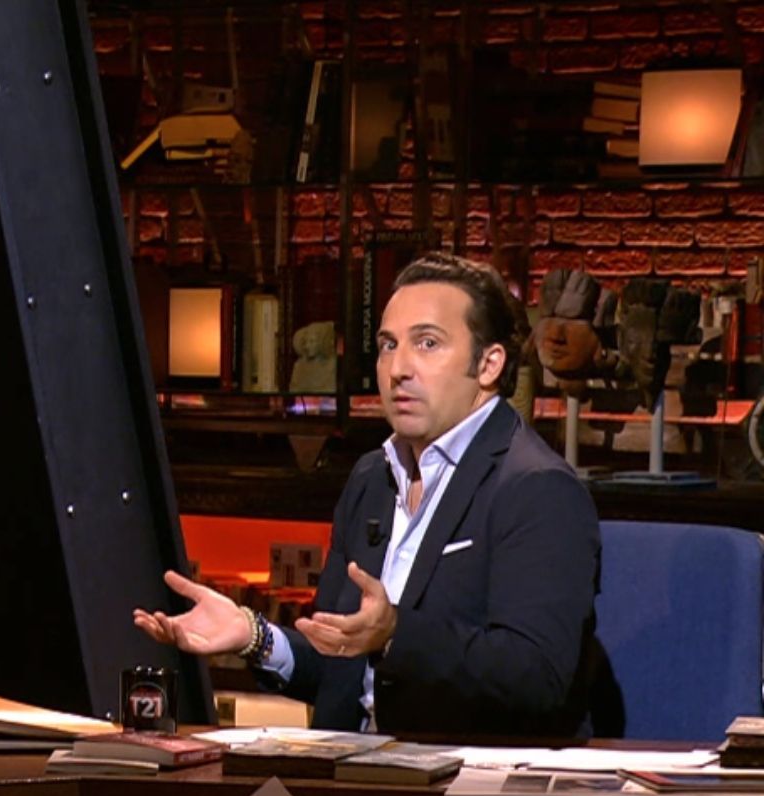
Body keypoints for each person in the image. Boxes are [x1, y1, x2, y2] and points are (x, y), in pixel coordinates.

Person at [134, 253, 601, 738]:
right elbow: (338, 664)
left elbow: (537, 676)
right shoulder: (372, 477)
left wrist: (395, 633)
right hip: (349, 767)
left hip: (462, 774)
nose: (398, 368)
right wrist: (253, 635)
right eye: (387, 345)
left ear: (488, 364)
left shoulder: (537, 488)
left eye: (427, 343)